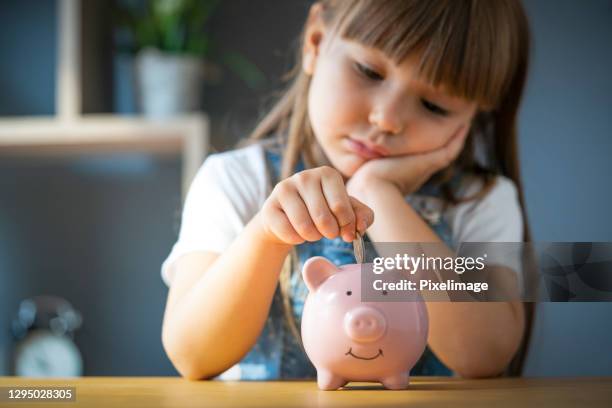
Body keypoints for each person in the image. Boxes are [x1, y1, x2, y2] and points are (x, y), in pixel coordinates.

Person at [160, 0, 532, 381]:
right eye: (369, 71)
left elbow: (485, 352)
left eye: (433, 106)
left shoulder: (479, 201)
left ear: (473, 116)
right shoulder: (237, 180)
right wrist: (267, 236)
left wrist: (378, 194)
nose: (386, 118)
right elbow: (192, 355)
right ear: (316, 42)